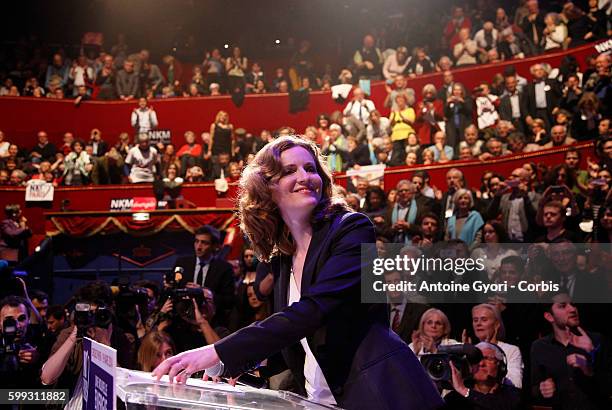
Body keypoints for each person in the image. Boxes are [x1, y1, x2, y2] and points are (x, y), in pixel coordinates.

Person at [153, 136, 443, 409]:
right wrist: (235, 364)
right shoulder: (282, 256)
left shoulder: (352, 229)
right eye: (290, 170)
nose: (305, 177)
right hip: (323, 401)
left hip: (383, 396)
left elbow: (313, 311)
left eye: (310, 168)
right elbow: (300, 340)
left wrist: (218, 350)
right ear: (267, 188)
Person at [530, 293, 612, 409]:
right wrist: (541, 389)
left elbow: (608, 386)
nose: (573, 309)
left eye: (573, 304)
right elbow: (533, 387)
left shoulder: (596, 340)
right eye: (563, 306)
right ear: (549, 317)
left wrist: (590, 362)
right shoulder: (540, 347)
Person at [172, 225, 235, 327]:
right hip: (184, 323)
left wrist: (206, 293)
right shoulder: (182, 263)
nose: (198, 247)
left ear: (215, 246)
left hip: (212, 322)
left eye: (204, 243)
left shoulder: (224, 268)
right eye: (196, 241)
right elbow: (174, 289)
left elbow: (229, 300)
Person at [445, 342, 523, 409]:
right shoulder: (455, 397)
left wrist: (463, 390)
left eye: (486, 358)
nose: (481, 364)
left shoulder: (511, 395)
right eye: (476, 359)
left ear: (501, 366)